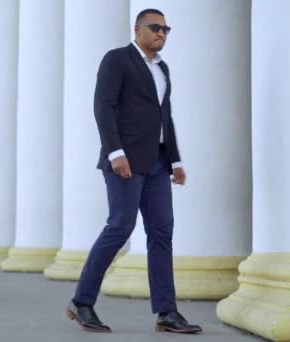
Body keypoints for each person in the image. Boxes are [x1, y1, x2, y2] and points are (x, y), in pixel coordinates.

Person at [65, 8, 202, 334]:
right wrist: (115, 152)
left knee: (161, 232)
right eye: (155, 28)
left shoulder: (162, 68)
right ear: (138, 29)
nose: (162, 34)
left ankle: (167, 312)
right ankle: (82, 301)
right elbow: (103, 106)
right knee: (120, 226)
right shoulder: (117, 59)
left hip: (156, 162)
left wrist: (176, 160)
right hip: (124, 160)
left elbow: (164, 116)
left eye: (167, 29)